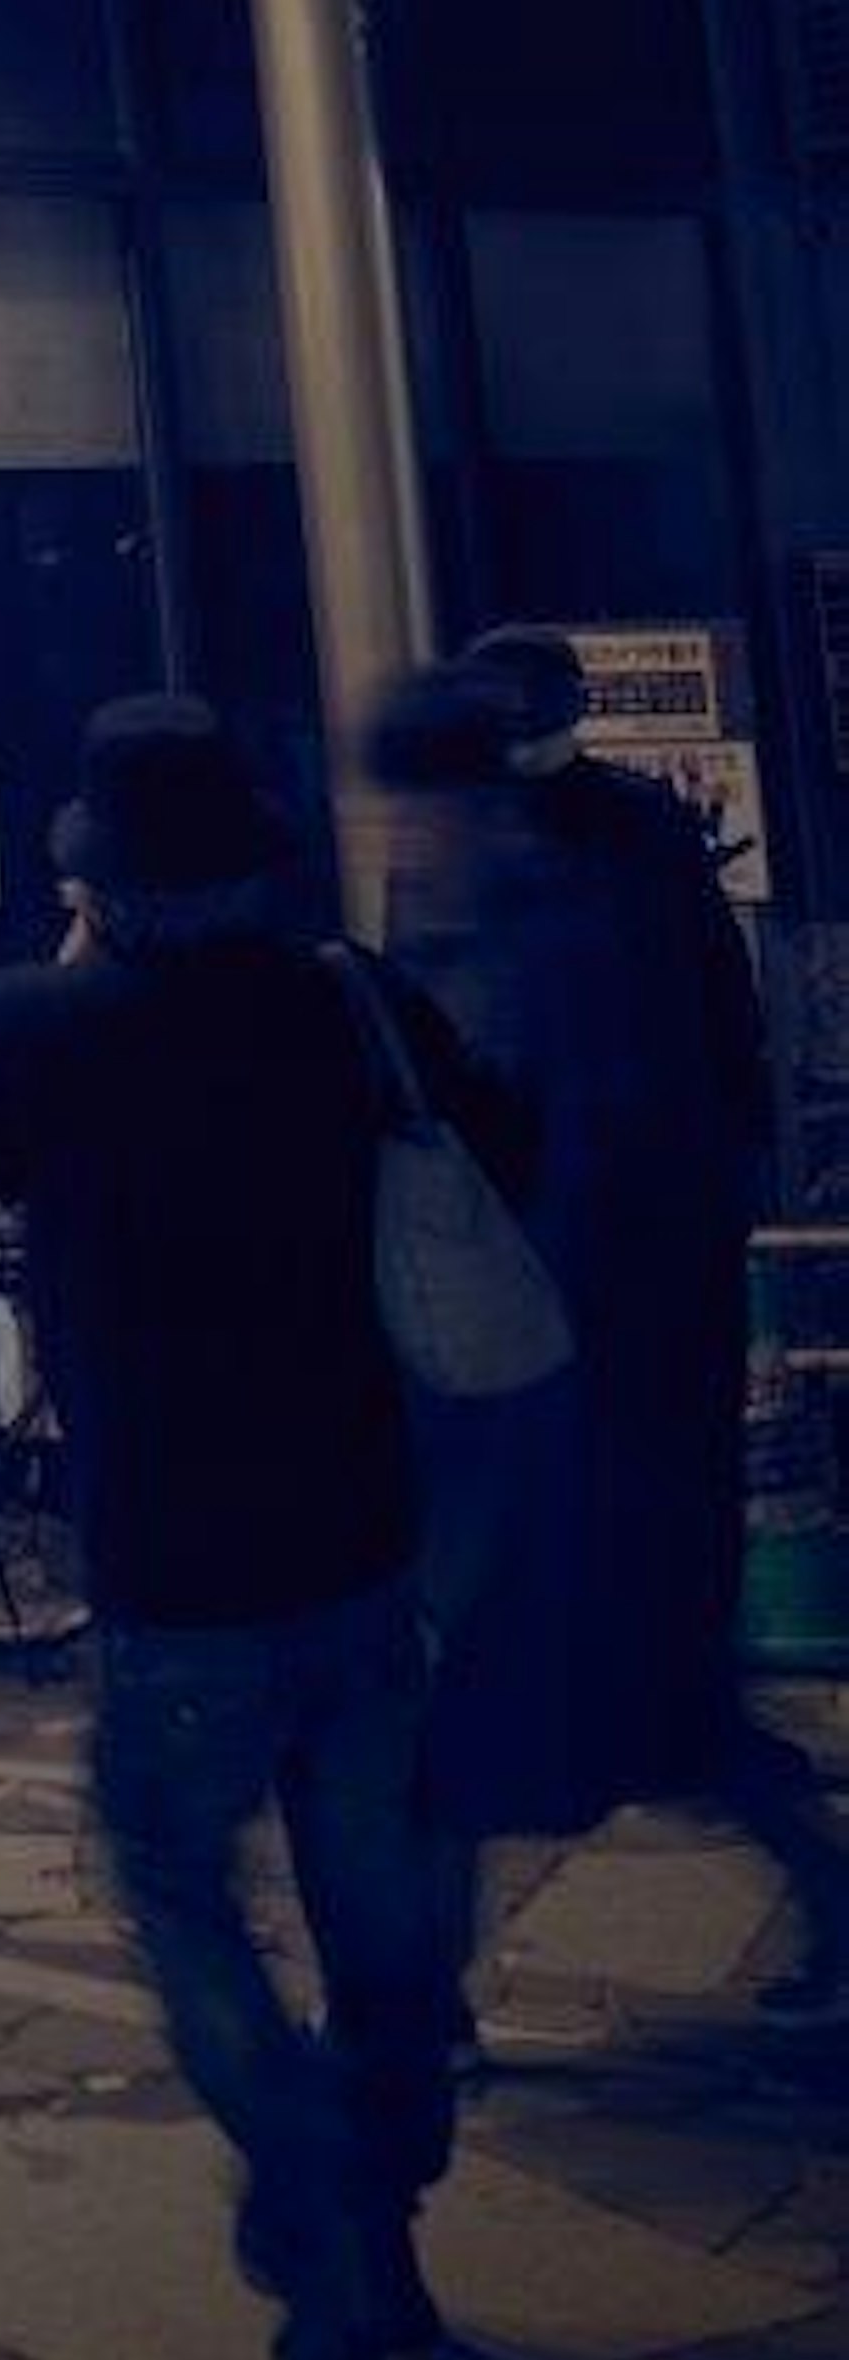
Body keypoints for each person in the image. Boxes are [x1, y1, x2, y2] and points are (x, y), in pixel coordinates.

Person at [0, 694, 519, 2360]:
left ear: (94, 874)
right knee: (388, 1945)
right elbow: (502, 1147)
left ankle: (317, 2200)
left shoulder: (47, 1025)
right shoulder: (345, 1003)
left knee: (184, 1897)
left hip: (174, 1577)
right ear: (255, 860)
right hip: (362, 1546)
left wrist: (74, 948)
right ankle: (375, 2234)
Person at [374, 624, 849, 2023]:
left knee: (505, 1709)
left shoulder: (557, 902)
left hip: (582, 1385)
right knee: (650, 1704)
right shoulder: (572, 868)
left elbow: (599, 1139)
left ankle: (419, 2005)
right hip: (606, 1373)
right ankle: (424, 2000)